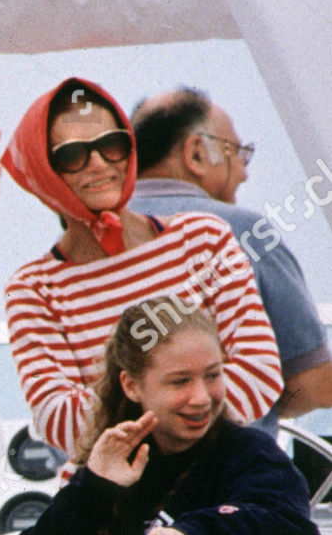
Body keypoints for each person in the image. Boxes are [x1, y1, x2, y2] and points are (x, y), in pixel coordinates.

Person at [3, 77, 283, 457]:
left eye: (112, 145)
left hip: (220, 479)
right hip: (112, 499)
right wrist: (193, 397)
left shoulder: (203, 238)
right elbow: (59, 422)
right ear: (42, 169)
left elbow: (261, 370)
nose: (100, 163)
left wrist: (135, 411)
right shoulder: (34, 289)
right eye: (73, 155)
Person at [12, 298, 320, 535]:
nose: (201, 398)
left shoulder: (249, 453)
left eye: (212, 376)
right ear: (132, 386)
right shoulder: (117, 459)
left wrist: (192, 534)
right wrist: (94, 489)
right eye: (180, 381)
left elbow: (290, 526)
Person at [131, 88, 332, 422]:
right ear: (195, 154)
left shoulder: (77, 240)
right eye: (238, 153)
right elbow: (312, 384)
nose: (244, 172)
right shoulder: (246, 233)